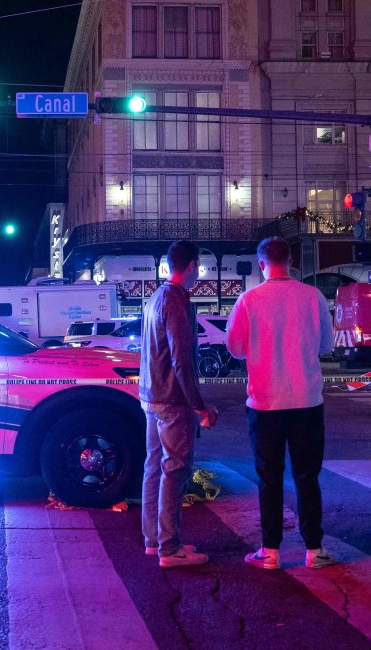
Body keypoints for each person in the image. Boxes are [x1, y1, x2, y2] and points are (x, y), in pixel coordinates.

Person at [227, 237, 337, 570]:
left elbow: (234, 347)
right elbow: (327, 345)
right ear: (291, 261)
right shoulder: (312, 296)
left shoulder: (249, 300)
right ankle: (314, 549)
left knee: (269, 477)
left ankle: (270, 551)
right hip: (306, 399)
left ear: (261, 264)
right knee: (307, 476)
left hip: (264, 401)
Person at [139, 240, 218, 568]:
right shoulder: (176, 300)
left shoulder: (155, 297)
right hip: (172, 399)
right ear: (192, 265)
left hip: (151, 397)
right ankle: (170, 548)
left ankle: (154, 539)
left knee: (154, 467)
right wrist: (199, 406)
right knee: (174, 470)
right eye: (197, 266)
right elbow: (182, 359)